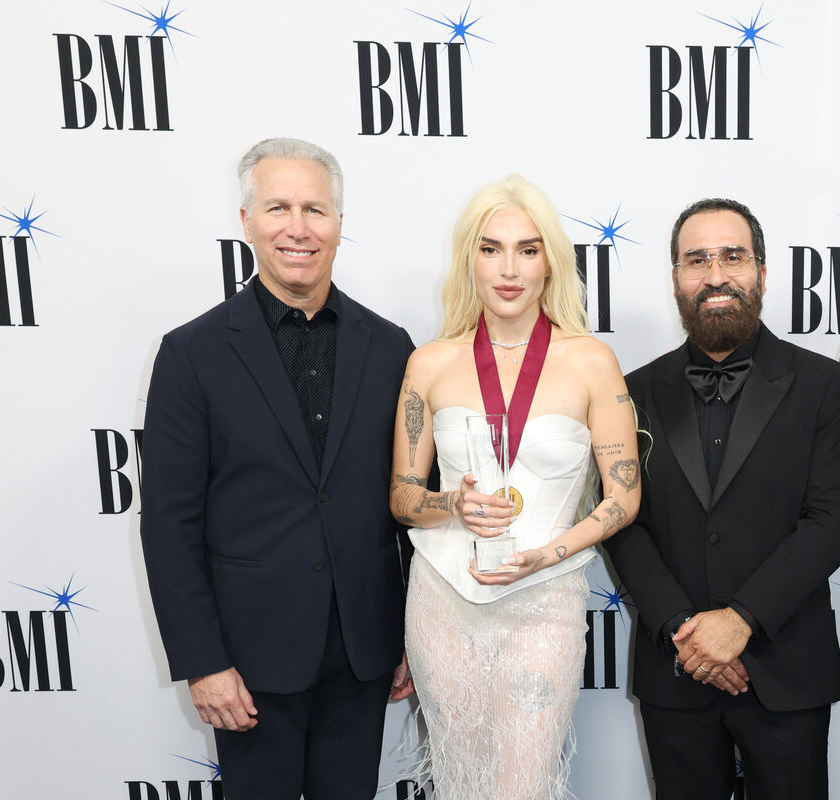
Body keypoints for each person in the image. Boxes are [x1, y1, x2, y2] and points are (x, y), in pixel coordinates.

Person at [140, 138, 416, 799]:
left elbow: (410, 508)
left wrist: (412, 635)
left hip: (363, 652)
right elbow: (169, 524)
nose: (298, 228)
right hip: (249, 658)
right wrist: (204, 662)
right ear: (246, 221)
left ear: (339, 224)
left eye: (315, 209)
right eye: (278, 207)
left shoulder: (392, 347)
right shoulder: (191, 354)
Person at [389, 174, 641, 800]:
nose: (509, 268)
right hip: (444, 600)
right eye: (491, 247)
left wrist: (547, 555)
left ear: (550, 263)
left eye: (528, 249)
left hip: (545, 600)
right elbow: (403, 497)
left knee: (524, 782)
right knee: (458, 780)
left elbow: (623, 496)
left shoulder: (591, 360)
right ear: (468, 259)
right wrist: (452, 503)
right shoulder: (429, 362)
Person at [601, 198, 840, 799]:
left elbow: (830, 521)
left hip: (787, 669)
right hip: (677, 669)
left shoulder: (827, 386)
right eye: (697, 260)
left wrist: (742, 621)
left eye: (733, 257)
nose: (715, 275)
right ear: (676, 281)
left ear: (762, 272)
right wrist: (686, 631)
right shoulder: (630, 392)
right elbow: (621, 519)